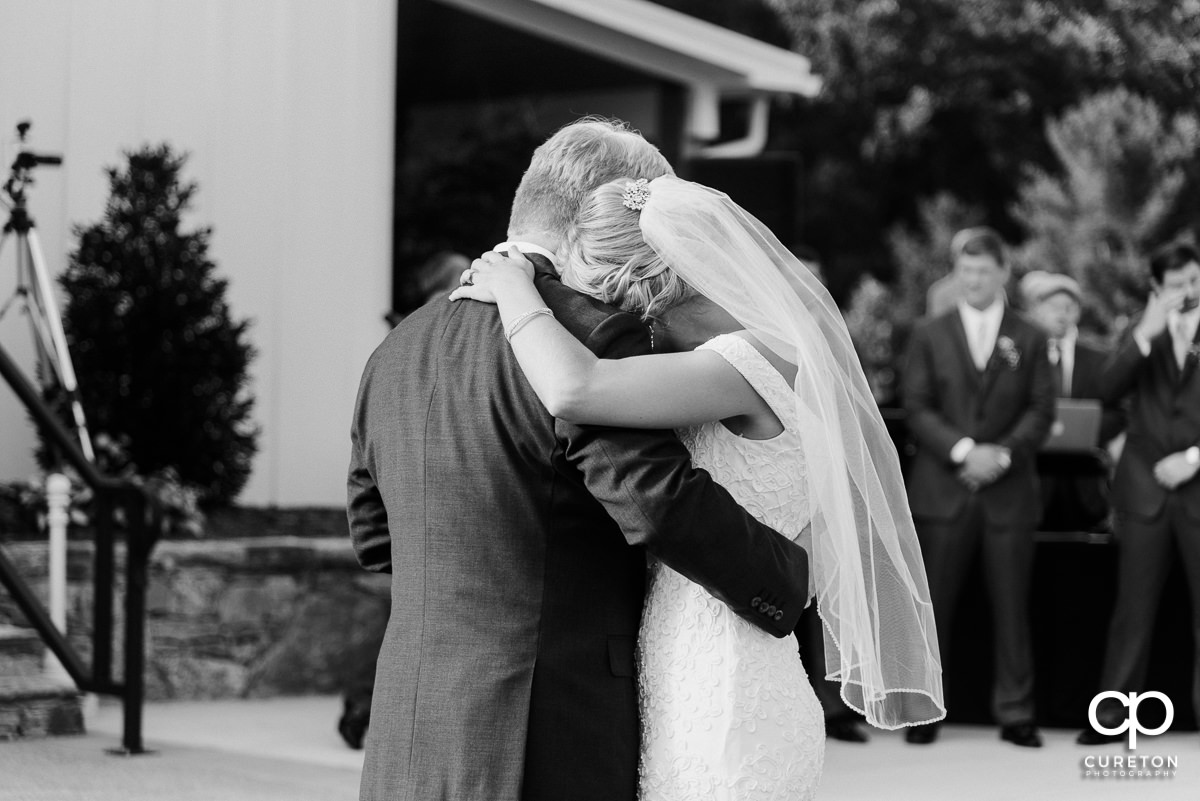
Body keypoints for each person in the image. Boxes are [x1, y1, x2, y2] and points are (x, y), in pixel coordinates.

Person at [347, 119, 813, 801]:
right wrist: (789, 580)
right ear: (602, 209)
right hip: (547, 730)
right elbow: (659, 503)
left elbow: (373, 535)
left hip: (408, 734)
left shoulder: (396, 349)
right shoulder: (593, 335)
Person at [451, 175, 945, 799]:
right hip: (695, 663)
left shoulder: (752, 359)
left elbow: (576, 389)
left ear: (630, 288)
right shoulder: (748, 358)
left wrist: (516, 289)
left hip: (728, 687)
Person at [901, 227, 1055, 748]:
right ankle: (924, 711)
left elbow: (1041, 409)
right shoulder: (928, 332)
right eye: (965, 271)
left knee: (1013, 607)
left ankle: (1016, 713)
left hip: (1009, 493)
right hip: (943, 490)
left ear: (1002, 272)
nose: (973, 280)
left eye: (983, 271)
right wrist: (966, 452)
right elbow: (917, 407)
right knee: (934, 605)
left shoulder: (1030, 336)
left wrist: (1000, 455)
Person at [1078, 241, 1200, 745]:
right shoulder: (1138, 330)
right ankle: (1114, 720)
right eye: (1176, 286)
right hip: (1143, 492)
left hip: (1196, 486)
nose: (1188, 292)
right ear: (1156, 289)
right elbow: (1104, 391)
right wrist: (1145, 337)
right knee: (1132, 610)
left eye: (1194, 281)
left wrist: (1192, 459)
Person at [1019, 271, 1123, 532]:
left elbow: (1119, 411)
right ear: (1037, 311)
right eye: (1053, 307)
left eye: (1068, 307)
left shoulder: (1100, 358)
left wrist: (1085, 428)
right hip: (1033, 486)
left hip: (1084, 485)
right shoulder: (1021, 357)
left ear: (1077, 312)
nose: (1061, 314)